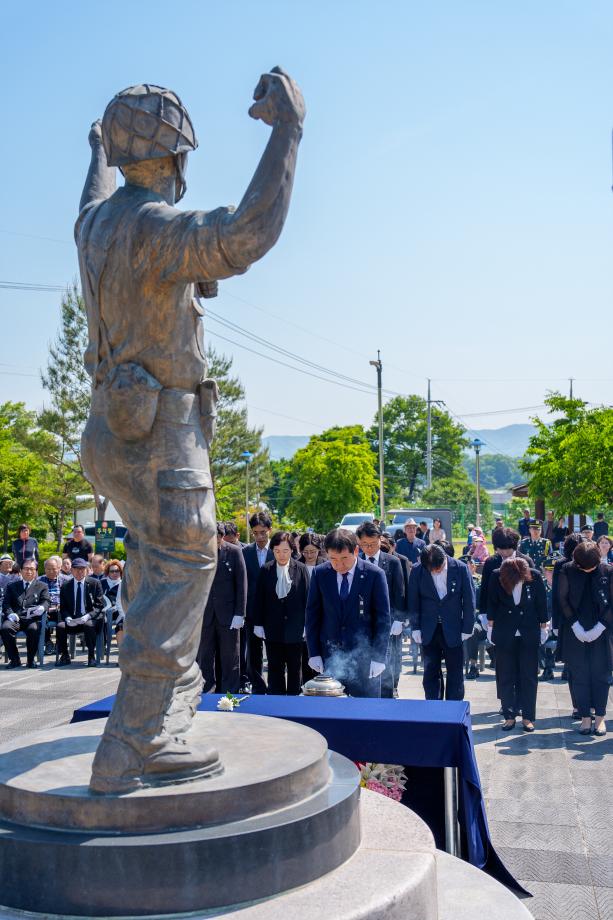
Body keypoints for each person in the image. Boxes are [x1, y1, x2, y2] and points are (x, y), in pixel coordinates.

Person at [305, 528, 390, 698]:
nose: (339, 565)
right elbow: (312, 614)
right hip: (330, 657)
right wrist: (313, 652)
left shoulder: (374, 575)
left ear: (356, 551)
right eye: (333, 559)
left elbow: (383, 619)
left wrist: (379, 657)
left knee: (365, 713)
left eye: (344, 558)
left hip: (365, 658)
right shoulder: (321, 573)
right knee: (331, 713)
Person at [487, 557, 549, 732]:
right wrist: (490, 627)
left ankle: (528, 717)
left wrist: (544, 626)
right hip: (505, 631)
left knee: (528, 676)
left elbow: (541, 604)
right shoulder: (497, 576)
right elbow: (491, 603)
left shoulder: (534, 576)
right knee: (506, 675)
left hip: (528, 632)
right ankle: (509, 716)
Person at [407, 544, 475, 700]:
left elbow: (469, 599)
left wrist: (467, 627)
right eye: (431, 570)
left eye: (437, 568)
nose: (434, 572)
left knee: (455, 672)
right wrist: (415, 627)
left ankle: (453, 710)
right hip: (428, 628)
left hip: (454, 628)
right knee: (430, 671)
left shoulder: (460, 568)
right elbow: (413, 600)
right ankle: (434, 709)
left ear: (444, 559)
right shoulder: (418, 570)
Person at [558, 541, 613, 735]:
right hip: (576, 629)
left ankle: (599, 718)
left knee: (601, 675)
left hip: (602, 630)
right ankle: (585, 718)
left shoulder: (608, 571)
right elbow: (562, 598)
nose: (589, 571)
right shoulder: (567, 570)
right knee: (579, 675)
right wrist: (575, 625)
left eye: (593, 568)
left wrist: (600, 627)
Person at [253, 531, 310, 695]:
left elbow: (308, 599)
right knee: (274, 668)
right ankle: (275, 703)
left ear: (292, 550)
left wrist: (307, 624)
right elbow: (259, 599)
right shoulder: (266, 570)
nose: (281, 555)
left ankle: (293, 703)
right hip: (273, 628)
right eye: (277, 551)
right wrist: (258, 623)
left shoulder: (301, 569)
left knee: (294, 669)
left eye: (285, 550)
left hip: (296, 628)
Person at [356, 521, 405, 698]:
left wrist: (399, 619)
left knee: (385, 662)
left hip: (386, 622)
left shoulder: (392, 562)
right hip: (362, 623)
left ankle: (387, 697)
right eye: (365, 545)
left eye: (373, 544)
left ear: (380, 539)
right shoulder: (356, 562)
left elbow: (399, 592)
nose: (369, 548)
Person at [197, 523, 246, 694]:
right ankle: (205, 693)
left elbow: (241, 584)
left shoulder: (234, 551)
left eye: (218, 537)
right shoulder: (199, 552)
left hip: (229, 615)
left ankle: (230, 694)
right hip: (205, 614)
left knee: (230, 658)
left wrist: (240, 613)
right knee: (205, 658)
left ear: (222, 536)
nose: (215, 540)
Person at [552, 532, 585, 717]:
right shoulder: (563, 565)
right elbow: (558, 595)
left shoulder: (562, 565)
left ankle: (581, 705)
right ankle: (580, 705)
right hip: (573, 620)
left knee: (579, 666)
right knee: (576, 666)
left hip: (576, 620)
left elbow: (558, 597)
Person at [242, 512, 274, 694]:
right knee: (253, 652)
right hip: (252, 610)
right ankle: (258, 687)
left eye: (263, 532)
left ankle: (275, 688)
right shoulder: (245, 552)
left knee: (273, 651)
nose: (260, 537)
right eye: (255, 533)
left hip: (273, 610)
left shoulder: (278, 550)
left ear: (269, 529)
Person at [1, 559, 50, 669]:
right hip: (16, 618)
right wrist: (10, 614)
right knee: (5, 628)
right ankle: (15, 659)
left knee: (33, 629)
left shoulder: (42, 586)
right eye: (26, 569)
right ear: (21, 571)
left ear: (36, 571)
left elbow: (46, 601)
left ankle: (30, 660)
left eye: (32, 569)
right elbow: (6, 604)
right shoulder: (12, 586)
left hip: (32, 618)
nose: (29, 572)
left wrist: (42, 607)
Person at [56, 558, 105, 667]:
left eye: (82, 569)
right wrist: (68, 618)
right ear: (71, 570)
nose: (79, 572)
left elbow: (99, 606)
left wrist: (87, 616)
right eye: (76, 569)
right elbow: (63, 608)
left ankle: (91, 656)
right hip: (73, 620)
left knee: (88, 625)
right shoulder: (65, 586)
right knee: (60, 626)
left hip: (91, 619)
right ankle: (65, 655)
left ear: (87, 570)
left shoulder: (95, 584)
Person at [39, 555, 70, 655]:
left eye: (54, 569)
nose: (51, 571)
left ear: (59, 569)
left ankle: (59, 643)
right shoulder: (39, 581)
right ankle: (47, 642)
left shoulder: (66, 580)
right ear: (44, 569)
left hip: (59, 609)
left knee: (62, 615)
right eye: (48, 569)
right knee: (40, 617)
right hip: (45, 609)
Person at [102, 559, 126, 647]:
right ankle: (102, 644)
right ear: (108, 572)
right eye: (112, 571)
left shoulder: (123, 584)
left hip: (118, 611)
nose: (115, 573)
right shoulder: (102, 583)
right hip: (103, 610)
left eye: (117, 571)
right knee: (101, 618)